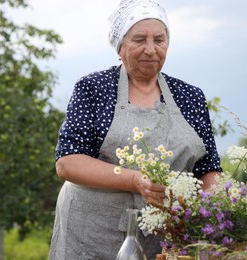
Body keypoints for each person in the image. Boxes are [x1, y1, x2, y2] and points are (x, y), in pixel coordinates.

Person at [48, 0, 222, 259]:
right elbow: (68, 163)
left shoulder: (190, 97)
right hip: (90, 236)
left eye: (159, 40)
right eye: (139, 40)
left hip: (163, 237)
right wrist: (134, 179)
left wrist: (214, 216)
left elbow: (208, 169)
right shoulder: (94, 88)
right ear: (120, 47)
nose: (151, 50)